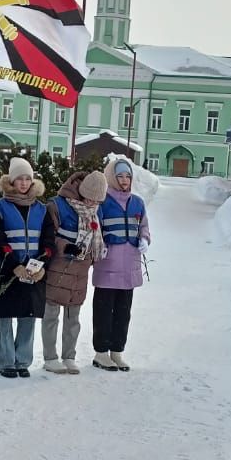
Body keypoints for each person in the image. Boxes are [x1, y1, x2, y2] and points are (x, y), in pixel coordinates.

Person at [0, 157, 54, 378]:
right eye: (19, 179)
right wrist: (13, 265)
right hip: (9, 271)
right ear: (11, 181)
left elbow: (48, 241)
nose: (24, 183)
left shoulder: (42, 210)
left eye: (28, 178)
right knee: (5, 317)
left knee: (28, 315)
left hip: (34, 272)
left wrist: (42, 265)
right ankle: (6, 362)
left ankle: (22, 360)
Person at [42, 169, 109, 375]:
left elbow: (97, 236)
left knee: (74, 316)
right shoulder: (58, 206)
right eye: (89, 199)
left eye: (96, 201)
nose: (91, 204)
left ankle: (69, 356)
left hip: (80, 270)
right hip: (59, 267)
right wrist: (65, 246)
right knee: (51, 313)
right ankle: (50, 357)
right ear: (82, 192)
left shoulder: (97, 211)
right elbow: (47, 235)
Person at [91, 157, 149, 372]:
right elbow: (95, 228)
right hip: (108, 265)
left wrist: (144, 239)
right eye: (120, 176)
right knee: (104, 311)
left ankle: (117, 351)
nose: (124, 180)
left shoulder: (137, 202)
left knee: (124, 312)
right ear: (111, 178)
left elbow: (144, 226)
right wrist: (100, 245)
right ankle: (100, 353)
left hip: (129, 267)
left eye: (127, 176)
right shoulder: (103, 202)